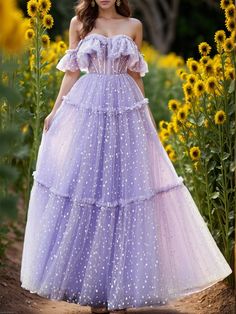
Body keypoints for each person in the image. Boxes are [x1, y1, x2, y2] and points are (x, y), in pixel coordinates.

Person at [20, 0, 232, 313]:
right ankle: (93, 293)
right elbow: (71, 73)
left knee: (125, 192)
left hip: (125, 112)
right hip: (88, 110)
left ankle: (120, 291)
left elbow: (135, 76)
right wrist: (55, 111)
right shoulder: (79, 23)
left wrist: (146, 119)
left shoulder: (134, 26)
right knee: (88, 190)